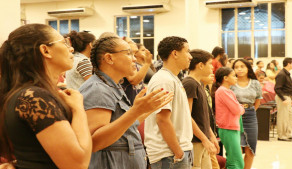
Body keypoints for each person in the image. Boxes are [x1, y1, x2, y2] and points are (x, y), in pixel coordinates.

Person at [0, 24, 92, 169]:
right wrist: (78, 109)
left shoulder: (31, 93)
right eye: (64, 43)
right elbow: (77, 164)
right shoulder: (35, 97)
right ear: (45, 50)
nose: (72, 48)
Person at [78, 36, 173, 169]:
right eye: (128, 54)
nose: (134, 59)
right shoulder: (97, 88)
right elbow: (95, 141)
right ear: (109, 58)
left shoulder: (112, 86)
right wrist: (136, 111)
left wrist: (149, 108)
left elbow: (126, 125)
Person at [144, 36, 193, 169]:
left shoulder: (172, 78)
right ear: (175, 53)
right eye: (187, 51)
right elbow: (162, 119)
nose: (190, 57)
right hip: (169, 154)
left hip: (175, 152)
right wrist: (178, 152)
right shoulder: (163, 80)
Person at [182, 49, 220, 169]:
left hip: (202, 139)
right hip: (195, 140)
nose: (212, 67)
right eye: (210, 64)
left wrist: (211, 136)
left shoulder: (199, 83)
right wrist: (204, 139)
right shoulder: (190, 83)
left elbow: (203, 116)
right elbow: (187, 116)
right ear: (200, 65)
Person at [231, 59, 262, 169]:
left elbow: (258, 99)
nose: (239, 69)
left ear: (248, 68)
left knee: (251, 149)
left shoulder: (255, 83)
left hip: (250, 115)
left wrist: (250, 110)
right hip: (234, 117)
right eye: (236, 67)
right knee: (237, 149)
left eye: (242, 66)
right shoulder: (231, 83)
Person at [215, 67, 245, 169]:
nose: (236, 78)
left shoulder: (227, 91)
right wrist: (241, 107)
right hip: (228, 128)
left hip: (232, 127)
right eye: (233, 75)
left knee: (234, 159)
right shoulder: (222, 91)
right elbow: (237, 109)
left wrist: (240, 107)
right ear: (225, 78)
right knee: (236, 161)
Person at [121, 37, 153, 104]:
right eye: (131, 42)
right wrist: (147, 63)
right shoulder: (125, 59)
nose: (134, 43)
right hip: (130, 102)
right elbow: (134, 80)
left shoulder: (133, 60)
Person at [275, 57, 292, 141]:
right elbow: (277, 88)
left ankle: (287, 134)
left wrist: (290, 98)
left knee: (289, 116)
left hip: (287, 97)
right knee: (283, 117)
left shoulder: (287, 73)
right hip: (283, 97)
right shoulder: (282, 74)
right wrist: (283, 99)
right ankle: (281, 136)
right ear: (288, 64)